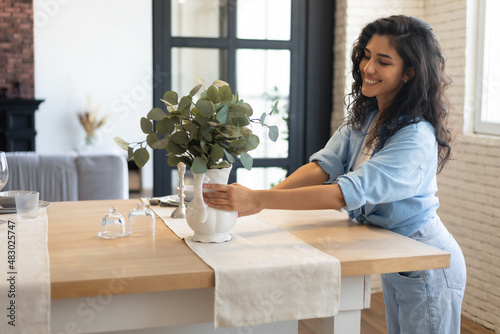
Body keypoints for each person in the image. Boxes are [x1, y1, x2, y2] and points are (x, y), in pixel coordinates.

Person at [203, 15, 466, 333]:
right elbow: (323, 166)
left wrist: (260, 199)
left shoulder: (416, 136)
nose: (368, 68)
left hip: (425, 255)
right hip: (395, 251)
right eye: (367, 55)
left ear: (409, 72)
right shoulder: (370, 116)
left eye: (383, 61)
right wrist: (262, 202)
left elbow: (343, 193)